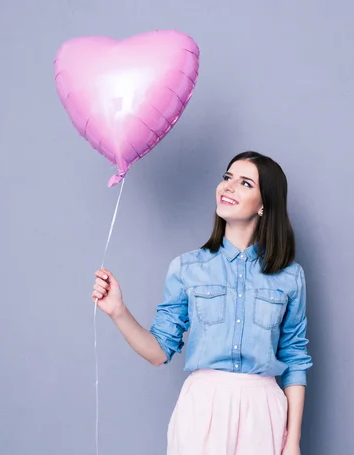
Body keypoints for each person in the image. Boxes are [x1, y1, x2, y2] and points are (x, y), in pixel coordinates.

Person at [91, 151, 312, 455]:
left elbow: (295, 359)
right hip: (202, 409)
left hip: (264, 412)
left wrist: (293, 439)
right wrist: (118, 311)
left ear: (264, 205)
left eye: (245, 182)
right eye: (226, 177)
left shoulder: (290, 276)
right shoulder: (187, 268)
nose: (228, 187)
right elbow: (158, 353)